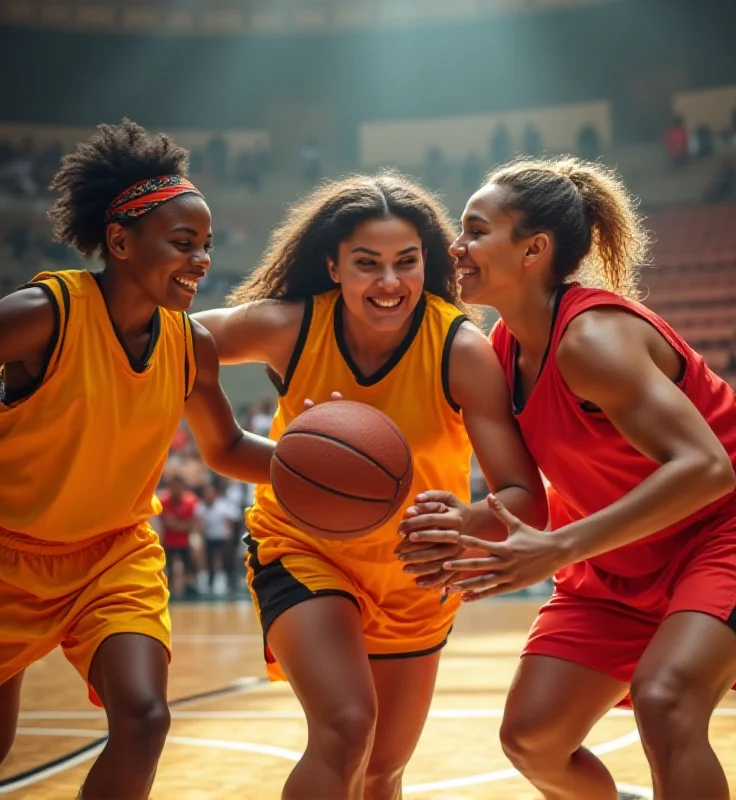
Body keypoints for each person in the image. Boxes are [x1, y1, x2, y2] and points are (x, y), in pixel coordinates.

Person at [400, 157, 736, 800]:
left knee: (666, 700)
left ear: (533, 249)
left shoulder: (591, 339)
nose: (457, 246)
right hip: (618, 551)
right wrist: (467, 524)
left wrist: (560, 547)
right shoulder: (502, 348)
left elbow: (707, 468)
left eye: (476, 230)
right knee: (533, 738)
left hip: (735, 526)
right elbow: (526, 498)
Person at [193, 171, 546, 800]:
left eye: (406, 262)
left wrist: (460, 523)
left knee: (382, 771)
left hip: (415, 571)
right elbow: (173, 342)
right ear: (333, 265)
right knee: (347, 728)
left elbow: (525, 497)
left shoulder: (459, 349)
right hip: (303, 553)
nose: (389, 282)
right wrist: (227, 435)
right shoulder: (292, 326)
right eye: (367, 264)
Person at [0, 120, 278, 800]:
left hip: (112, 555)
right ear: (120, 241)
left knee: (146, 717)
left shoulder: (191, 345)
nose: (202, 260)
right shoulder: (44, 315)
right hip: (7, 553)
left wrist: (318, 470)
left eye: (206, 246)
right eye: (184, 243)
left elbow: (229, 448)